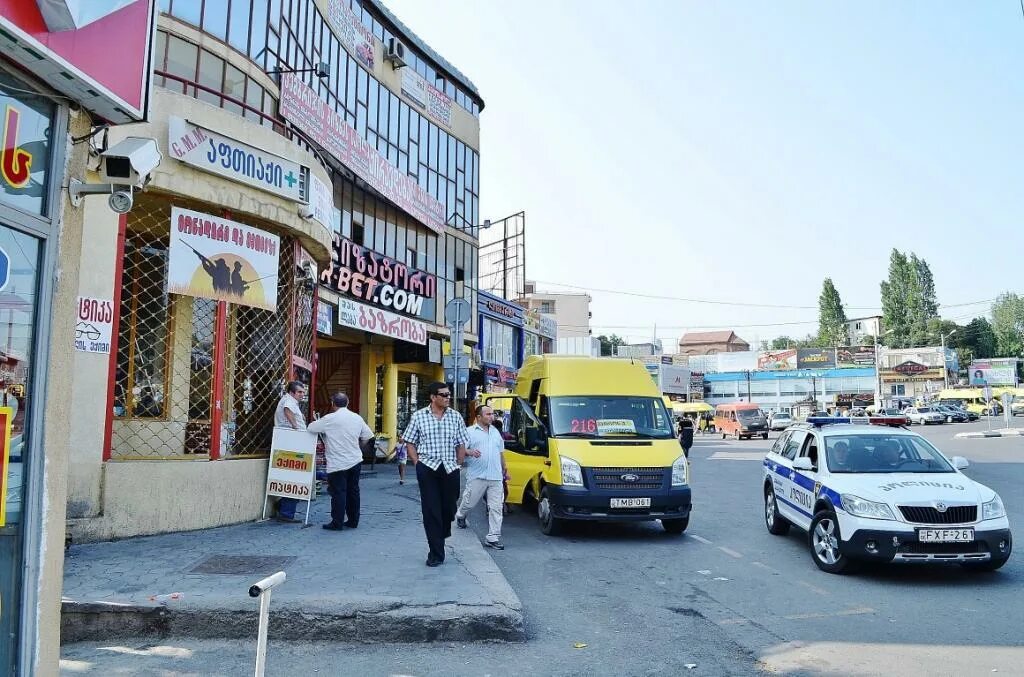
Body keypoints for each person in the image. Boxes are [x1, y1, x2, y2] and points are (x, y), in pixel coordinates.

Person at [402, 382, 469, 567]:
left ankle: (442, 530)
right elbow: (409, 441)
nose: (448, 397)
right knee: (431, 510)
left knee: (448, 508)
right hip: (428, 468)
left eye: (449, 394)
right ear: (433, 397)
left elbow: (462, 443)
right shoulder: (418, 416)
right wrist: (417, 463)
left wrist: (459, 463)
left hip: (450, 468)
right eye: (444, 395)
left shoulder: (455, 417)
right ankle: (436, 553)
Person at [306, 392, 372, 531]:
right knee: (353, 491)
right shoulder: (356, 418)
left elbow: (311, 428)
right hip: (355, 460)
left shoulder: (329, 418)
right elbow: (367, 436)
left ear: (332, 404)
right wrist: (358, 447)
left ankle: (337, 522)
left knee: (338, 492)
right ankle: (353, 521)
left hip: (337, 463)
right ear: (347, 403)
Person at [455, 405, 509, 550]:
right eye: (488, 414)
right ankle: (461, 515)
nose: (492, 416)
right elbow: (460, 449)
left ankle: (493, 537)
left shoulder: (496, 432)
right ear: (478, 417)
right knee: (469, 502)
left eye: (492, 414)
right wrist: (470, 451)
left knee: (496, 507)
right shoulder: (469, 432)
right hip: (477, 476)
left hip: (496, 477)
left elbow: (500, 453)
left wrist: (505, 470)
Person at [273, 381, 307, 522]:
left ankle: (283, 507)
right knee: (294, 477)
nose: (302, 395)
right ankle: (286, 512)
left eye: (303, 392)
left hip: (291, 441)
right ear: (292, 392)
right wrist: (296, 429)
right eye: (299, 392)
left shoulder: (290, 401)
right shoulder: (289, 401)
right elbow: (287, 411)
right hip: (291, 442)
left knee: (296, 477)